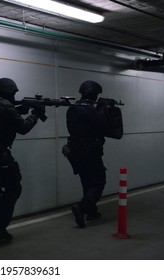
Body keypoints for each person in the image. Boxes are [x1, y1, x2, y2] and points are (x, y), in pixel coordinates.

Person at [0, 78, 45, 243]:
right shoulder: (6, 106)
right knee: (13, 187)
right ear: (8, 92)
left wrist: (18, 109)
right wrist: (35, 114)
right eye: (13, 93)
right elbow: (23, 128)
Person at [64, 80, 113, 228]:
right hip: (90, 151)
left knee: (86, 181)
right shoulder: (90, 110)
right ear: (93, 94)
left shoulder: (72, 108)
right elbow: (103, 126)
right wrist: (103, 109)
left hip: (74, 150)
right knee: (98, 181)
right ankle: (82, 208)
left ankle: (91, 212)